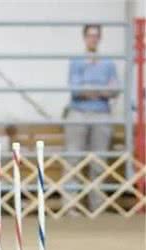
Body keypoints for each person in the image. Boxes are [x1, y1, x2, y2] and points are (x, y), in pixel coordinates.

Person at [65, 24, 119, 211]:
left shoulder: (109, 63)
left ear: (100, 38)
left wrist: (91, 90)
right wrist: (100, 90)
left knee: (99, 160)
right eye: (90, 35)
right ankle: (70, 206)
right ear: (84, 38)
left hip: (102, 114)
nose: (93, 39)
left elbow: (114, 89)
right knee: (73, 158)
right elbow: (76, 89)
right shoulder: (76, 61)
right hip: (78, 113)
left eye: (96, 36)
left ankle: (98, 206)